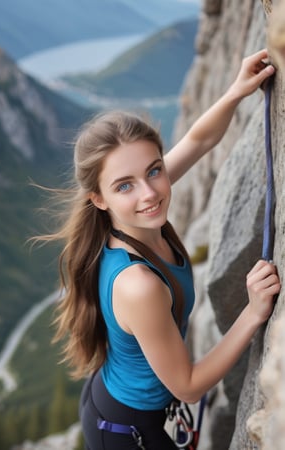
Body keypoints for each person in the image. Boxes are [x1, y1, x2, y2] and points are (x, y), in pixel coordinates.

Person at [43, 49, 280, 450]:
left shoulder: (133, 211)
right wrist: (254, 312)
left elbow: (199, 139)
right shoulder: (138, 284)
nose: (150, 192)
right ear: (98, 199)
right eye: (124, 185)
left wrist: (237, 91)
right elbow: (187, 386)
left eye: (154, 169)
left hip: (116, 399)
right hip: (126, 433)